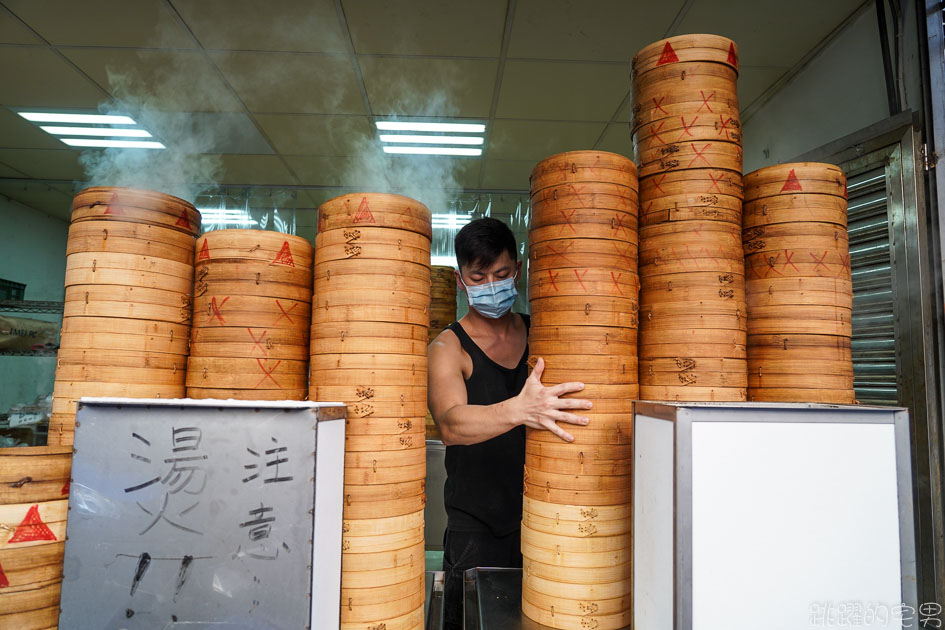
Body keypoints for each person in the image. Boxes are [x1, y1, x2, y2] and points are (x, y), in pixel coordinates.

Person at [427, 217, 592, 629]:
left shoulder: (544, 334)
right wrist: (519, 410)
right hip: (475, 526)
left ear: (517, 270)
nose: (491, 285)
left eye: (501, 274)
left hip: (544, 515)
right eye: (478, 277)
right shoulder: (448, 347)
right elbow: (451, 424)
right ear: (462, 281)